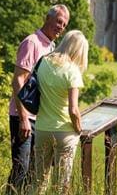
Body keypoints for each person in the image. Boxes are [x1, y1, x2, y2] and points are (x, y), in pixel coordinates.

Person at [7, 5, 70, 193]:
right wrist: (24, 118)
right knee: (21, 169)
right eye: (59, 21)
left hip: (41, 119)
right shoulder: (32, 43)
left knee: (36, 173)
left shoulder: (51, 47)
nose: (61, 27)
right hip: (24, 118)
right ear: (47, 18)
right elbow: (18, 80)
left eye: (64, 24)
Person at [32, 30, 88, 195]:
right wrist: (79, 128)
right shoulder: (72, 71)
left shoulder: (43, 62)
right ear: (79, 50)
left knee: (38, 182)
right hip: (64, 132)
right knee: (61, 186)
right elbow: (73, 109)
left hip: (42, 128)